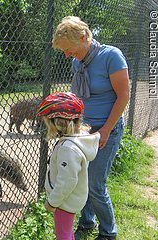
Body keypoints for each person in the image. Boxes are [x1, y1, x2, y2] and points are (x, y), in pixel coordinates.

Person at [52, 16, 130, 240]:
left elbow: (124, 96)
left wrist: (105, 130)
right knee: (81, 178)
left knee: (95, 184)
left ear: (84, 37)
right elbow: (78, 96)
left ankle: (108, 232)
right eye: (64, 51)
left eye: (69, 49)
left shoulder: (111, 56)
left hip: (107, 128)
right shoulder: (78, 61)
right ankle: (87, 222)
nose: (67, 54)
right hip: (83, 130)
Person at [37, 92, 100, 240]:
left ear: (59, 123)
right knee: (67, 231)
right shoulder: (79, 140)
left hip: (64, 200)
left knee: (63, 235)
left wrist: (52, 202)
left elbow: (67, 181)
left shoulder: (68, 149)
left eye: (48, 123)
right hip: (72, 197)